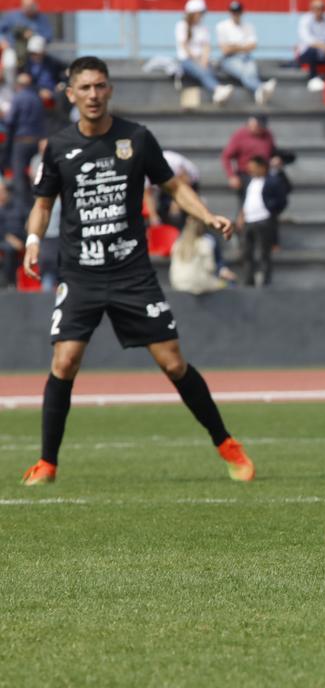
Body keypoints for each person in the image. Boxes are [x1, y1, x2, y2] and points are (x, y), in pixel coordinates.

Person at [19, 56, 254, 486]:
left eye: (100, 86)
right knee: (65, 361)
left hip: (132, 273)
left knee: (173, 363)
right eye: (85, 88)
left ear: (110, 90)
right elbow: (42, 205)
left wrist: (206, 214)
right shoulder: (57, 147)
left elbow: (174, 186)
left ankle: (226, 443)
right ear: (70, 94)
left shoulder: (137, 138)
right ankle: (47, 463)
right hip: (81, 274)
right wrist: (33, 240)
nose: (93, 95)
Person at [237, 154, 289, 288]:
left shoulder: (273, 181)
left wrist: (271, 211)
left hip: (264, 220)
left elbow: (282, 199)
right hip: (249, 220)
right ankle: (249, 281)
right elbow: (245, 200)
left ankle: (265, 280)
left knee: (263, 253)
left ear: (262, 167)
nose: (250, 170)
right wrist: (242, 215)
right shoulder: (249, 181)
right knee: (246, 252)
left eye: (253, 168)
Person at [215, 0, 275, 106]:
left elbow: (252, 46)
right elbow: (226, 50)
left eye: (237, 12)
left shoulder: (248, 26)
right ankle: (259, 88)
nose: (235, 14)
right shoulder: (222, 26)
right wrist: (243, 46)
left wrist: (234, 46)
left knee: (249, 72)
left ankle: (259, 91)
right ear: (230, 12)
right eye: (233, 12)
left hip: (246, 57)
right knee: (245, 72)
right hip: (229, 59)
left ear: (241, 12)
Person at [174, 0, 233, 106]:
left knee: (207, 69)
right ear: (192, 13)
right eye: (200, 13)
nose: (201, 15)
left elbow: (206, 47)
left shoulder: (203, 28)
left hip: (201, 60)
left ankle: (217, 94)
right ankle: (217, 89)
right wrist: (197, 60)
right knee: (202, 70)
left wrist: (204, 60)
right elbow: (184, 47)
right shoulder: (181, 25)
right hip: (186, 61)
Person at [4, 72, 47, 211]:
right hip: (36, 141)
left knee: (19, 177)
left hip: (21, 142)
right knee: (36, 175)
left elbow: (10, 120)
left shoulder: (18, 98)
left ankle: (22, 210)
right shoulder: (37, 98)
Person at [220, 114, 276, 198]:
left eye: (261, 126)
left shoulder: (267, 135)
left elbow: (273, 152)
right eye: (256, 125)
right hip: (247, 176)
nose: (259, 129)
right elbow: (226, 156)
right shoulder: (240, 135)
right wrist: (231, 176)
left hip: (265, 175)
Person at [170, 216, 229, 295]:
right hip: (198, 285)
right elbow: (210, 267)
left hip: (177, 282)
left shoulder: (177, 242)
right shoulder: (206, 242)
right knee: (229, 284)